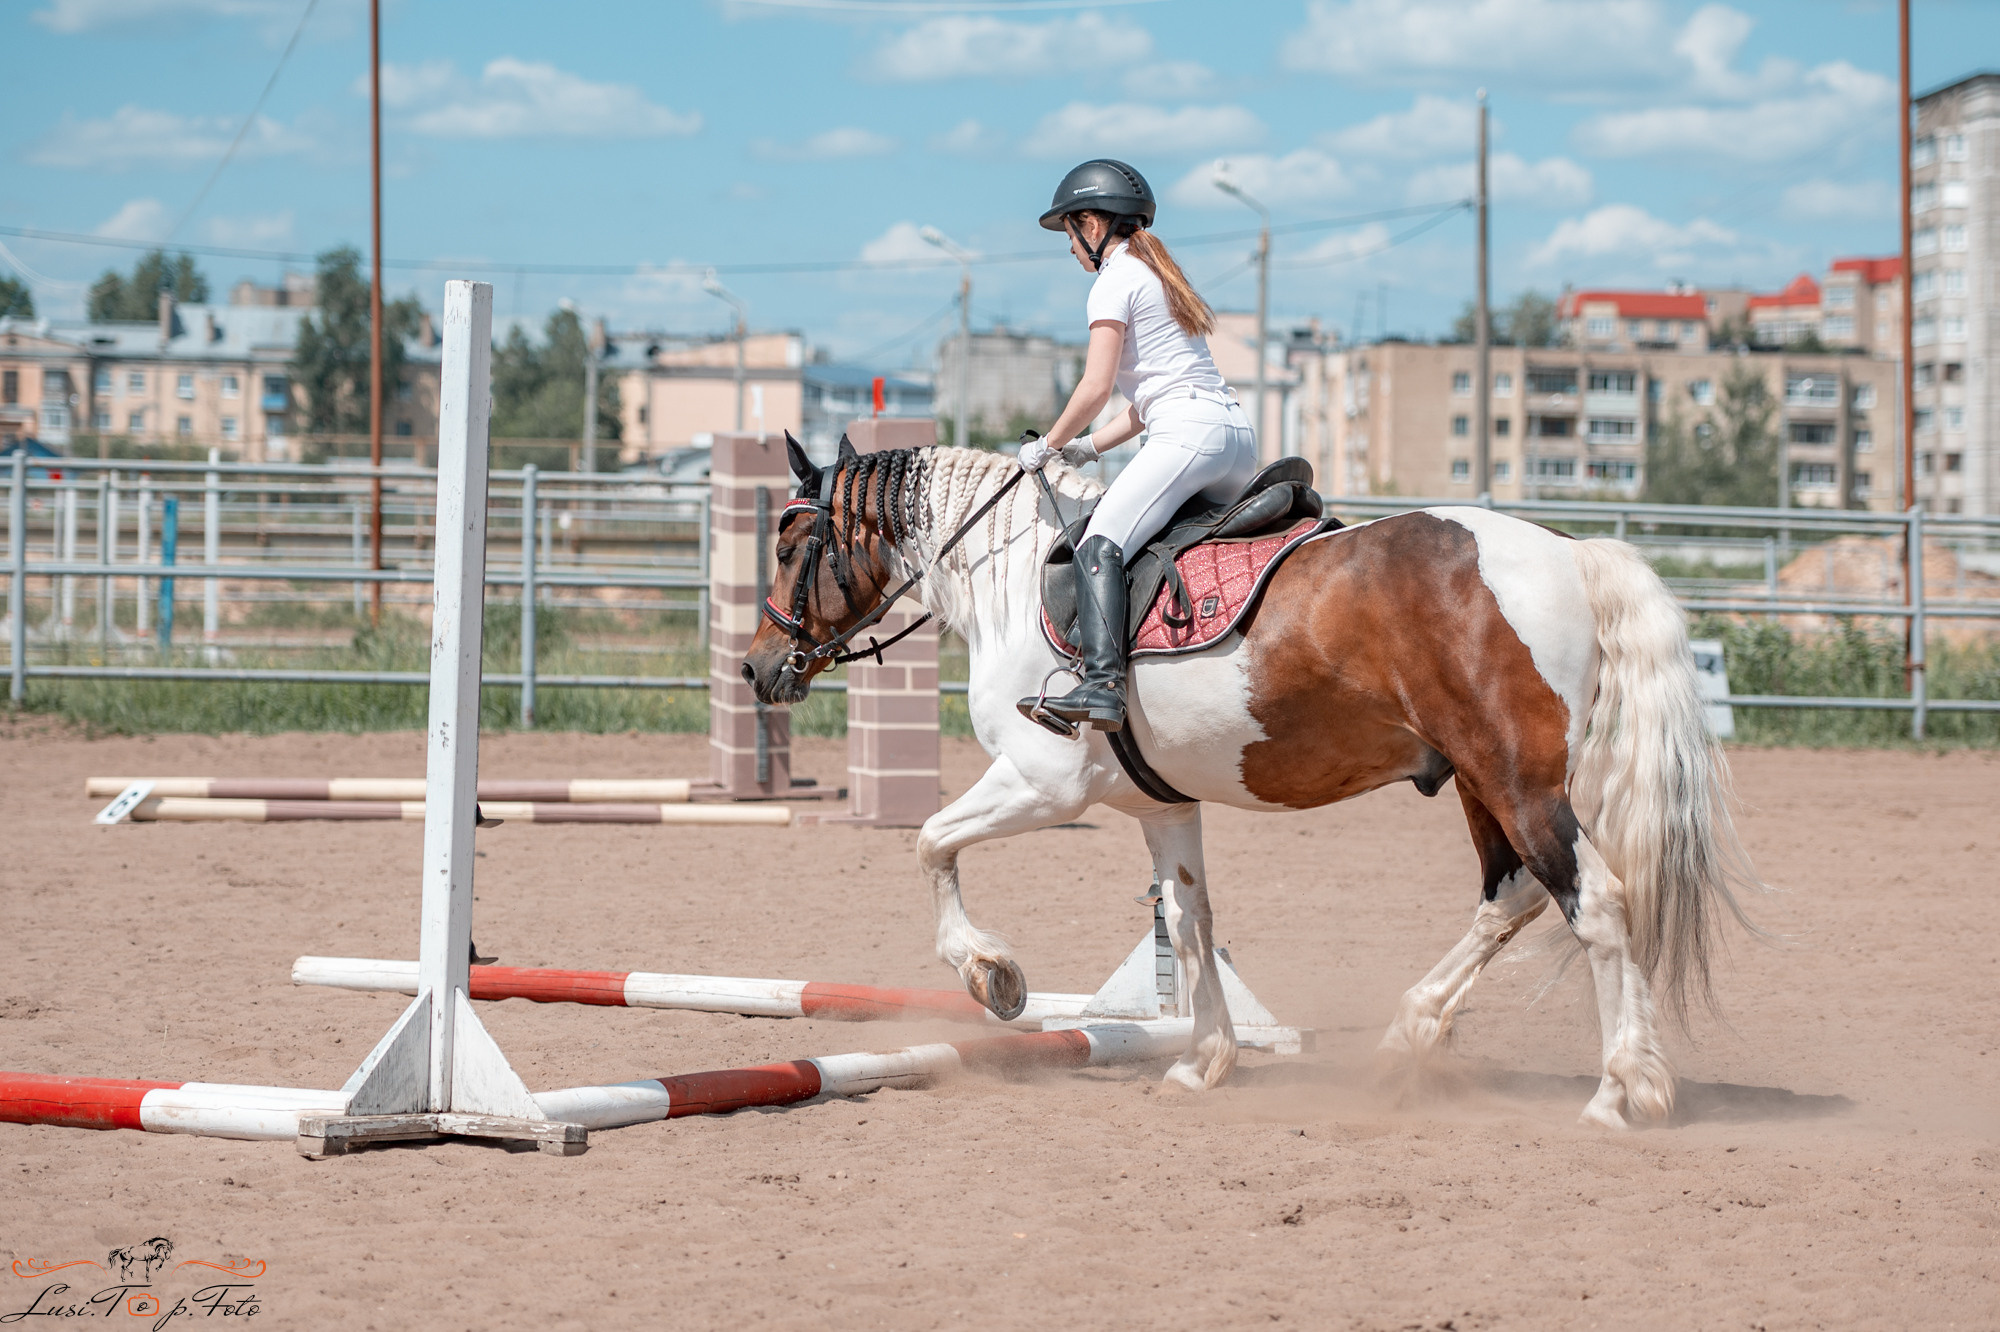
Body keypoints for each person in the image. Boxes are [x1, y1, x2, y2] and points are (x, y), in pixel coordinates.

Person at [1015, 158, 1258, 734]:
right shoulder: (1160, 277)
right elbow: (1145, 401)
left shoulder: (1113, 281)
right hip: (1234, 438)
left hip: (1188, 438)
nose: (1071, 249)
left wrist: (1046, 445)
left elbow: (1096, 386)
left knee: (1101, 541)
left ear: (1093, 226)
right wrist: (1088, 450)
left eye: (1071, 234)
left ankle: (1101, 686)